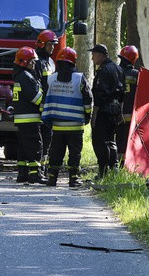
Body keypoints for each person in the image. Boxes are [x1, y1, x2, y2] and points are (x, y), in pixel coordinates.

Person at [41, 47, 93, 187]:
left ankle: (52, 179)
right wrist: (88, 115)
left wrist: (46, 118)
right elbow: (88, 99)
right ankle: (73, 179)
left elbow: (44, 99)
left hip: (57, 125)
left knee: (56, 152)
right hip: (75, 126)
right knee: (74, 153)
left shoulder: (51, 79)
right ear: (73, 62)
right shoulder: (79, 78)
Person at [89, 44, 125, 178]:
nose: (92, 58)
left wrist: (94, 114)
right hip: (115, 110)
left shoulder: (103, 71)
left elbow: (100, 94)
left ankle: (103, 171)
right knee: (111, 140)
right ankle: (114, 169)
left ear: (100, 55)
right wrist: (120, 111)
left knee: (100, 141)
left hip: (104, 110)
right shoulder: (118, 69)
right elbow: (122, 93)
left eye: (93, 55)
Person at [12, 47, 47, 184]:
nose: (34, 64)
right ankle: (35, 174)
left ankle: (22, 173)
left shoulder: (19, 75)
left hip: (22, 118)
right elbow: (36, 98)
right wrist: (45, 103)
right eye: (31, 61)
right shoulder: (26, 77)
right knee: (35, 146)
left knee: (23, 146)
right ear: (24, 61)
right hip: (30, 117)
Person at [34, 30, 58, 167]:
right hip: (39, 106)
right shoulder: (36, 61)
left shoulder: (51, 62)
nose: (52, 48)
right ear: (42, 44)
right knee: (39, 137)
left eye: (54, 45)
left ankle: (44, 165)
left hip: (48, 106)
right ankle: (37, 166)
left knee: (48, 137)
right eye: (50, 45)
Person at [116, 45, 140, 168]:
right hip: (131, 116)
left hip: (116, 114)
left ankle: (117, 165)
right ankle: (127, 165)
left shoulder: (115, 71)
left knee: (117, 141)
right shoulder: (136, 75)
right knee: (128, 141)